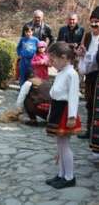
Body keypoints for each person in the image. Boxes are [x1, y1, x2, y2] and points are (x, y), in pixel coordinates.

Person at [45, 42, 81, 189]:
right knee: (60, 145)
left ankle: (69, 177)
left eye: (53, 60)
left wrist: (72, 116)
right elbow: (54, 94)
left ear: (64, 57)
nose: (51, 63)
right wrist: (49, 113)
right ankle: (61, 174)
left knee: (65, 146)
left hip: (65, 112)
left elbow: (73, 96)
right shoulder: (61, 73)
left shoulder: (72, 74)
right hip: (57, 110)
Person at [77, 6, 99, 139]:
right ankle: (89, 130)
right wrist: (80, 53)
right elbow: (82, 52)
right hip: (90, 74)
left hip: (98, 72)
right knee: (90, 102)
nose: (94, 24)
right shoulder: (87, 36)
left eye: (97, 22)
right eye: (93, 21)